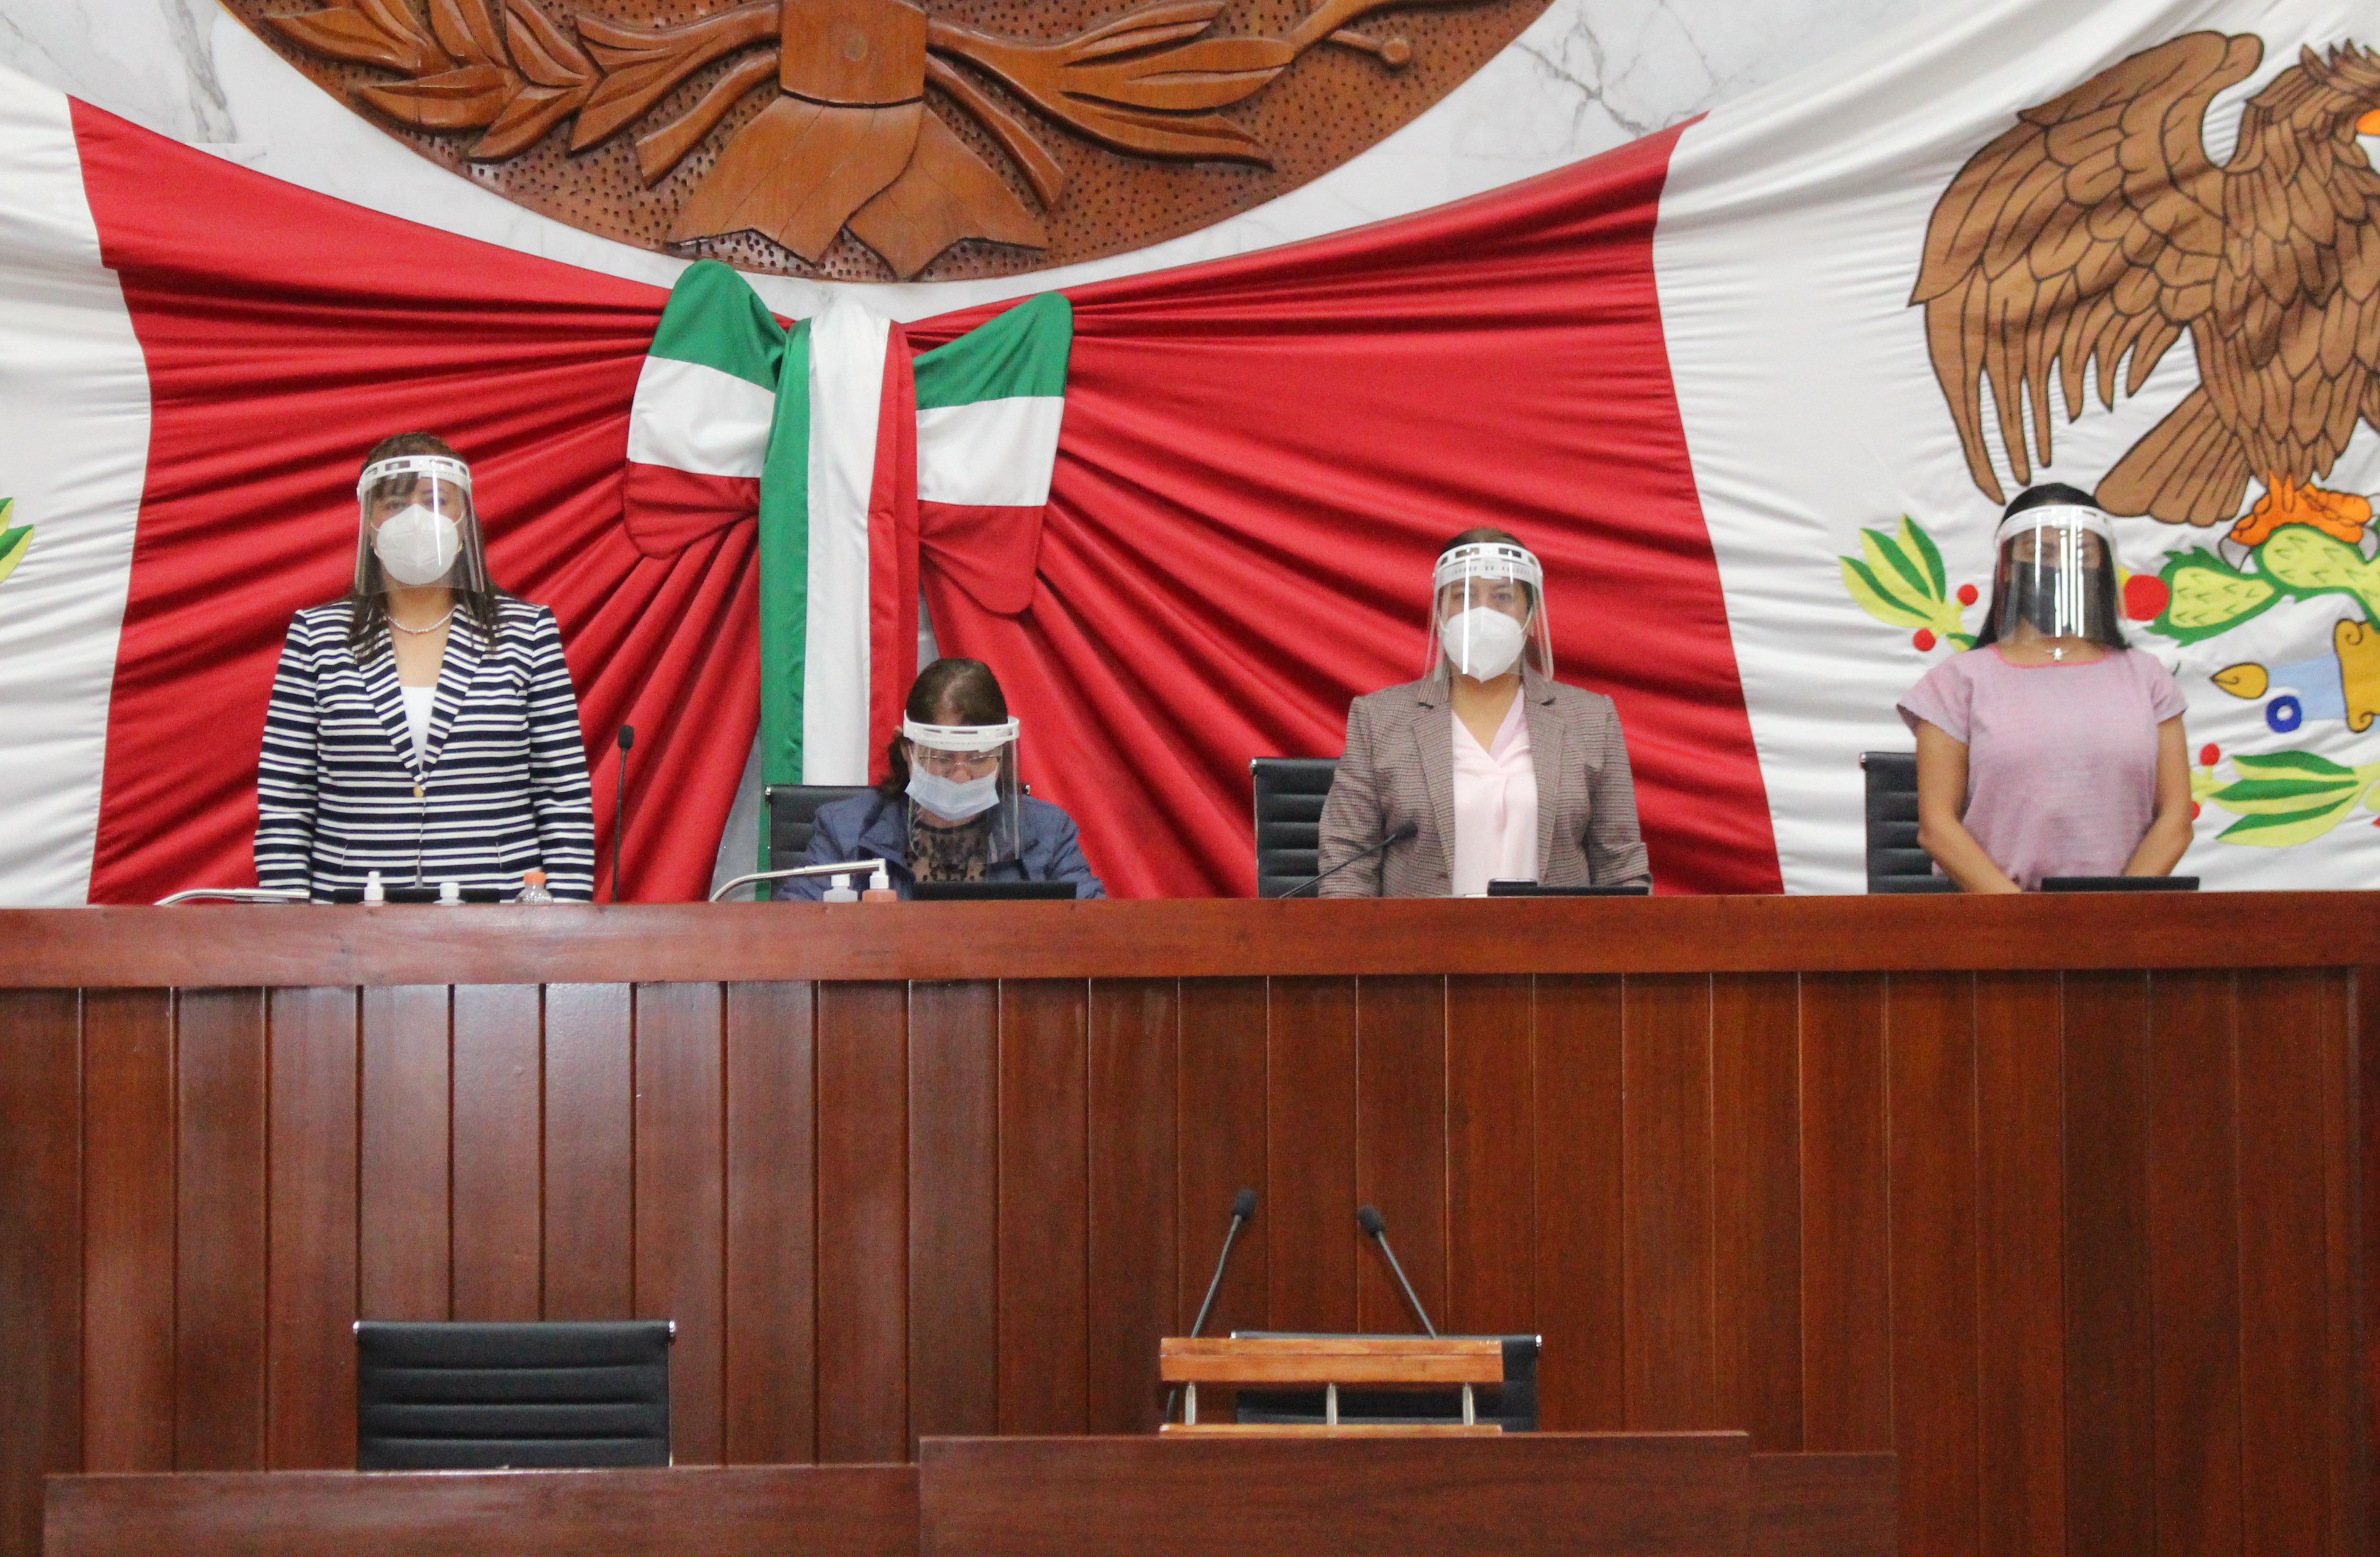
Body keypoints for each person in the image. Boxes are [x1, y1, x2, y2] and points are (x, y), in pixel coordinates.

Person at [256, 434, 597, 901]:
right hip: (347, 913)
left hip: (500, 911)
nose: (416, 518)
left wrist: (567, 918)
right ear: (369, 525)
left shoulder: (526, 632)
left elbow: (564, 794)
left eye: (436, 501)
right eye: (395, 504)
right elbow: (285, 800)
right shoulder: (317, 636)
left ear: (465, 520)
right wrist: (286, 923)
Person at [1316, 527, 1652, 896]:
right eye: (1463, 596)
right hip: (1421, 935)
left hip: (1555, 934)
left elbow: (1621, 867)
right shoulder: (1378, 719)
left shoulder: (1591, 720)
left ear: (1530, 614)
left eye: (1502, 596)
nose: (1482, 613)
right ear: (1439, 611)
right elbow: (1346, 863)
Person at [1899, 484, 2192, 893]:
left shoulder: (2147, 678)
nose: (2059, 567)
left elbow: (2175, 820)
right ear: (2006, 568)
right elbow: (1937, 828)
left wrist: (2114, 911)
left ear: (2102, 566)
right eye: (2040, 553)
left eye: (2080, 554)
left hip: (2120, 923)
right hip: (1997, 921)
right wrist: (2026, 920)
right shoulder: (1956, 682)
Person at [780, 657, 1105, 899]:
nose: (960, 775)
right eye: (941, 758)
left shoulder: (1049, 834)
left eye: (979, 758)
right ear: (907, 750)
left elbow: (1096, 934)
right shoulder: (845, 832)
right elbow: (794, 932)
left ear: (1000, 754)